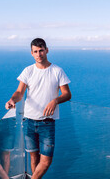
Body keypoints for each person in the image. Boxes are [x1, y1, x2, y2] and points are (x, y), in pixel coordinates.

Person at [5, 38, 71, 179]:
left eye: (41, 50)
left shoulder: (57, 71)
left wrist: (55, 101)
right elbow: (19, 93)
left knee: (46, 161)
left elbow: (67, 94)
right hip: (29, 121)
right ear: (31, 53)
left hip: (47, 123)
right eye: (35, 51)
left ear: (47, 50)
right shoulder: (28, 71)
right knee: (34, 158)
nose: (39, 54)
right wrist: (12, 100)